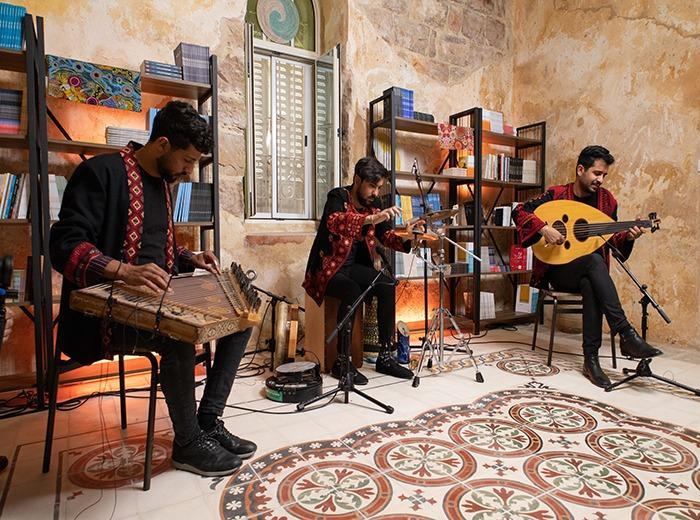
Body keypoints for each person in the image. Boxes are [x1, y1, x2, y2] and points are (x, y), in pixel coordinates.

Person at [50, 101, 255, 477]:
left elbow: (158, 251)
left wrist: (191, 257)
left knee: (241, 320)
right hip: (105, 314)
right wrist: (123, 271)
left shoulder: (162, 184)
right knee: (178, 337)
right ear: (162, 144)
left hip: (154, 302)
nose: (190, 171)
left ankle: (207, 422)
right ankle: (187, 444)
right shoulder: (100, 173)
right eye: (187, 160)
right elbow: (64, 245)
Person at [512, 145, 662, 388]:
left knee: (591, 278)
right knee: (594, 262)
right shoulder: (557, 194)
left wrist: (628, 237)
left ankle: (591, 361)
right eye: (596, 173)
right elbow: (520, 211)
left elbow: (612, 241)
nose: (600, 180)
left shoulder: (607, 202)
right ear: (580, 169)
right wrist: (544, 228)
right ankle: (625, 333)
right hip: (557, 270)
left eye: (604, 175)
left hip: (590, 273)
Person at [303, 157, 423, 383]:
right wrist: (371, 218)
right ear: (357, 180)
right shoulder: (337, 196)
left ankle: (385, 356)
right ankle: (342, 361)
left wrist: (407, 236)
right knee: (352, 291)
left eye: (378, 188)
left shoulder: (374, 204)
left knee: (387, 285)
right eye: (372, 186)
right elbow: (335, 222)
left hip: (353, 268)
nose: (375, 193)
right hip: (328, 269)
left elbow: (386, 237)